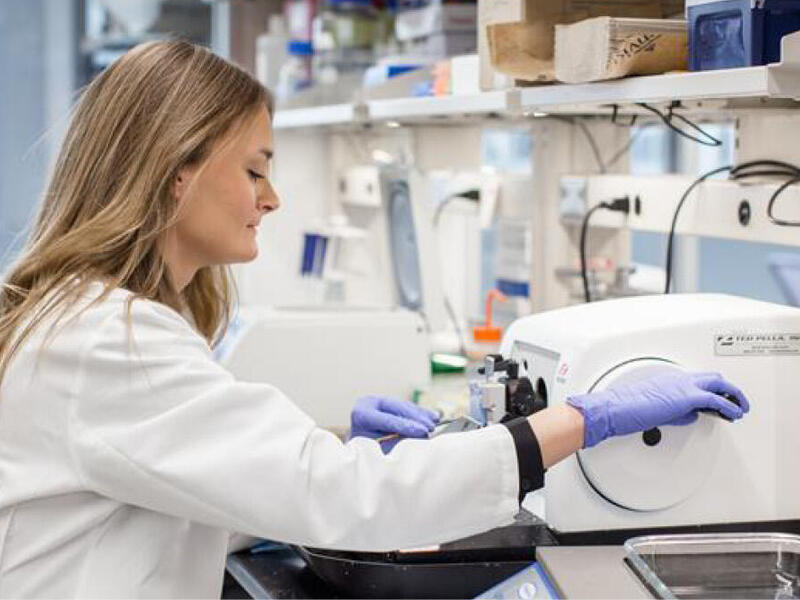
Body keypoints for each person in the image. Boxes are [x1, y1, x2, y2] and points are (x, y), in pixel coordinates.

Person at [0, 40, 748, 598]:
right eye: (254, 169)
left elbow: (185, 500)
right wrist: (583, 421)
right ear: (174, 173)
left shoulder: (86, 319)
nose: (272, 197)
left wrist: (335, 451)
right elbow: (345, 498)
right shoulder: (106, 338)